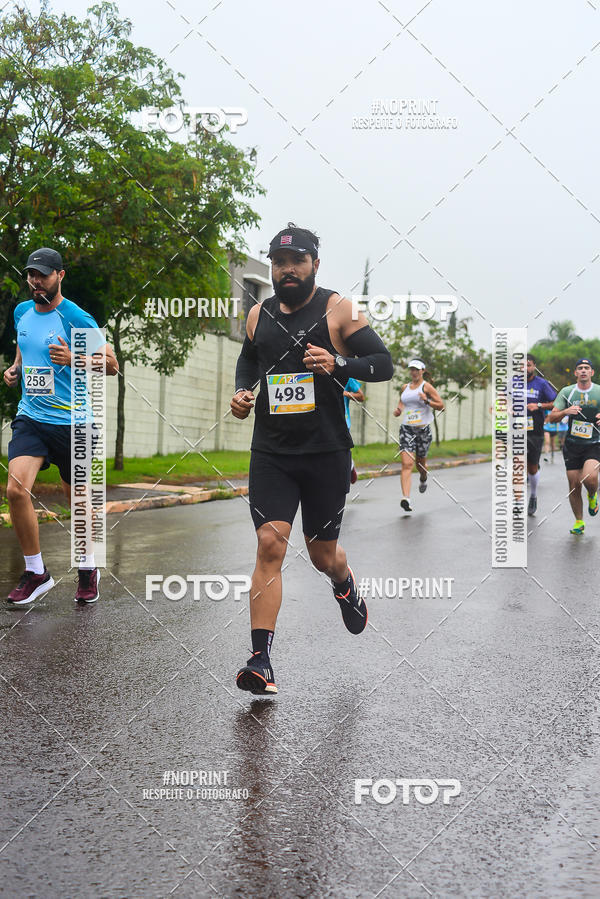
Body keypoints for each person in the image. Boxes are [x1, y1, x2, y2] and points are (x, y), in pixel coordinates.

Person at [230, 224, 393, 695]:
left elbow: (382, 363)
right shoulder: (258, 314)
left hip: (325, 453)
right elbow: (249, 359)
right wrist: (242, 392)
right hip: (272, 452)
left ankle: (344, 582)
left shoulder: (339, 309)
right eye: (279, 262)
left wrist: (339, 363)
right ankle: (261, 660)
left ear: (315, 264)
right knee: (270, 544)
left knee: (323, 555)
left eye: (297, 261)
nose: (287, 270)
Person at [3, 247, 118, 604]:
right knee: (16, 490)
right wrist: (16, 367)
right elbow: (25, 346)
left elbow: (111, 365)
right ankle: (36, 572)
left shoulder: (76, 318)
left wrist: (74, 358)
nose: (36, 281)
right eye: (31, 275)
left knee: (78, 503)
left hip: (75, 423)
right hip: (32, 418)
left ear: (60, 275)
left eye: (43, 275)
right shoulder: (22, 311)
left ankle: (87, 567)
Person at [547, 358, 600, 535]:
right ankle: (579, 521)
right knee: (574, 484)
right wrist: (565, 412)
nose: (583, 370)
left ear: (592, 372)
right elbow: (552, 418)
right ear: (576, 372)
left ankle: (592, 495)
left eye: (587, 368)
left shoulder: (599, 391)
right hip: (572, 445)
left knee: (589, 478)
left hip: (595, 443)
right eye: (580, 368)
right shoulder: (567, 392)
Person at [392, 360, 444, 512]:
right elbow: (402, 402)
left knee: (420, 464)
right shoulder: (405, 387)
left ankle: (423, 477)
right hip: (407, 429)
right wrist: (398, 410)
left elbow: (441, 406)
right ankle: (406, 498)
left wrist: (426, 400)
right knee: (406, 464)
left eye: (416, 369)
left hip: (423, 430)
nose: (413, 372)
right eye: (411, 369)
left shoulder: (426, 387)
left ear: (422, 371)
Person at [524, 354, 556, 516]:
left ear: (534, 366)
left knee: (532, 467)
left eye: (528, 365)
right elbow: (501, 399)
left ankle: (533, 495)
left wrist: (538, 405)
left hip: (535, 430)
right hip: (515, 430)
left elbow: (555, 403)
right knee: (517, 464)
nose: (524, 368)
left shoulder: (542, 384)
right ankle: (517, 501)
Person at [343, 377, 364, 484]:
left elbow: (361, 396)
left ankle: (349, 465)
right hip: (323, 420)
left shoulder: (347, 377)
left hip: (343, 422)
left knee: (341, 451)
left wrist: (346, 394)